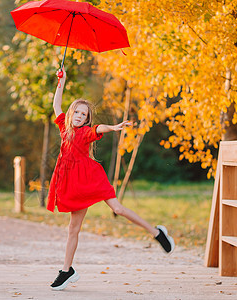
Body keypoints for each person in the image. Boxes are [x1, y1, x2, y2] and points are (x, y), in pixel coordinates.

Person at [48, 69, 175, 291]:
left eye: (83, 115)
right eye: (76, 112)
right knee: (72, 228)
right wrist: (62, 80)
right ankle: (67, 270)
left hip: (90, 177)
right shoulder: (63, 127)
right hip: (72, 182)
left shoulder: (86, 132)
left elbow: (99, 128)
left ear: (87, 119)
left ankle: (157, 232)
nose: (79, 116)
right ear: (70, 114)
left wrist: (113, 128)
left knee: (118, 208)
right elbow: (56, 105)